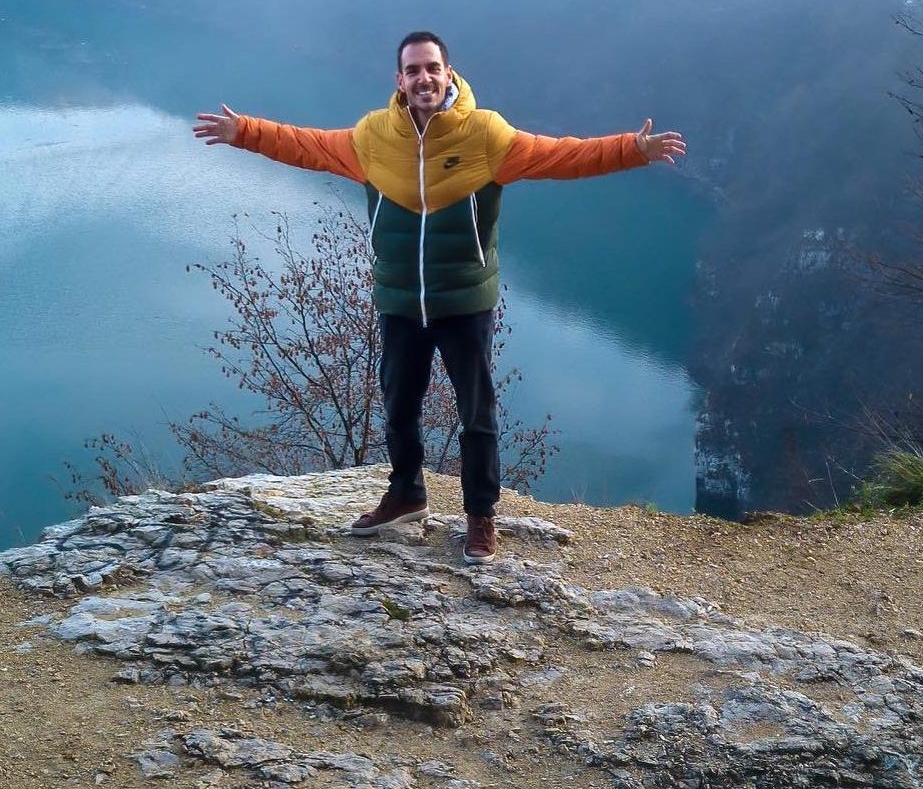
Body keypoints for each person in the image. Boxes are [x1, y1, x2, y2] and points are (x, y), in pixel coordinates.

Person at [193, 31, 684, 563]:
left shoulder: (486, 135)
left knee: (476, 412)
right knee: (399, 404)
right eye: (413, 70)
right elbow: (303, 145)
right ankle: (406, 494)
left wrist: (633, 150)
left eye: (432, 68)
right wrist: (243, 131)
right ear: (399, 81)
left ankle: (480, 515)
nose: (423, 78)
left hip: (464, 300)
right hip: (401, 298)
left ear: (449, 74)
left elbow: (562, 156)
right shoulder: (372, 138)